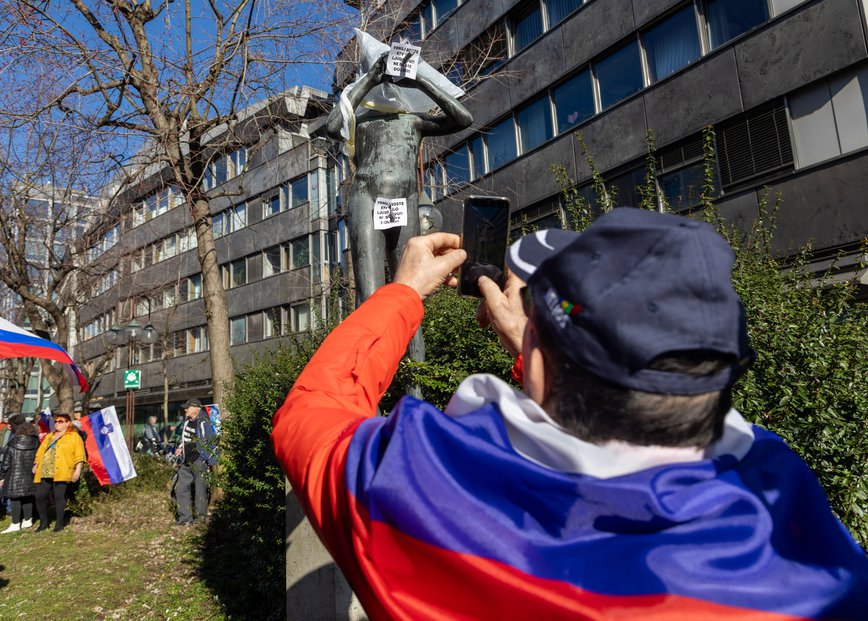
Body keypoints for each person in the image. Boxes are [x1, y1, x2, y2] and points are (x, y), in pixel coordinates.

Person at [272, 209, 868, 620]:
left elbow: (314, 411)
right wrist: (537, 355)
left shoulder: (424, 490)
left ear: (539, 364)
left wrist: (402, 294)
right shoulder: (797, 519)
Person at [325, 50, 472, 303]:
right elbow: (332, 126)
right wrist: (371, 78)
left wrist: (420, 81)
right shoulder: (359, 121)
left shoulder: (413, 121)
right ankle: (373, 340)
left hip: (406, 200)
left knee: (409, 295)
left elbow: (464, 119)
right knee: (369, 294)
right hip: (367, 199)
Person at [32, 412, 85, 532]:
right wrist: (36, 463)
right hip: (45, 470)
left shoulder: (74, 436)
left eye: (60, 421)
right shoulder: (50, 436)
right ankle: (43, 522)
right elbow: (41, 451)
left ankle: (59, 523)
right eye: (55, 421)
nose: (57, 424)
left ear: (68, 423)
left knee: (59, 497)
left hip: (62, 470)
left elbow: (79, 454)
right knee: (40, 496)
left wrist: (77, 470)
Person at [173, 399, 218, 525]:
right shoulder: (187, 422)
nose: (185, 410)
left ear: (196, 409)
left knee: (200, 490)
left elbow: (211, 441)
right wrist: (180, 448)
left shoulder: (205, 422)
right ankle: (184, 519)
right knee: (182, 489)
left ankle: (200, 519)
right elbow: (186, 439)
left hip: (199, 460)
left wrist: (208, 459)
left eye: (187, 407)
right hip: (185, 460)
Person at [0, 421, 40, 533]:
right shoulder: (37, 443)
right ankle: (28, 520)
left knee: (15, 498)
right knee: (28, 497)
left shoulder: (13, 443)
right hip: (31, 474)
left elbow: (6, 462)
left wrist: (2, 476)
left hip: (15, 475)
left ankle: (15, 523)